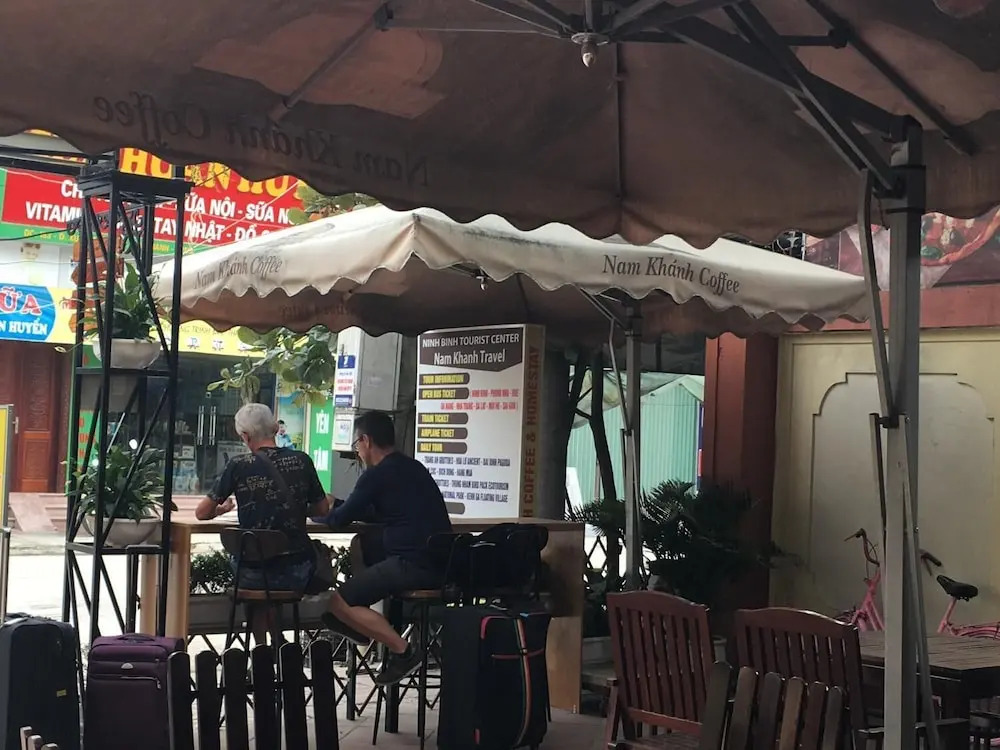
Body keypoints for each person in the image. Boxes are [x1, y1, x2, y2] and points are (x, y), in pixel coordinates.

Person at [315, 410, 452, 686]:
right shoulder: (414, 468)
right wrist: (339, 505)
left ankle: (403, 651)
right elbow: (374, 511)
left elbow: (339, 521)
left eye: (356, 444)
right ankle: (370, 633)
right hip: (442, 564)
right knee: (351, 590)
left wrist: (318, 514)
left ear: (366, 441)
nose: (357, 451)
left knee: (336, 601)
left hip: (409, 564)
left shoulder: (375, 475)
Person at [195, 403, 330, 644]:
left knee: (256, 577)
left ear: (246, 436)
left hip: (252, 574)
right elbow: (322, 509)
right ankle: (277, 644)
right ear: (275, 429)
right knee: (268, 578)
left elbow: (201, 513)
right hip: (297, 572)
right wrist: (295, 508)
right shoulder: (302, 460)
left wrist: (221, 510)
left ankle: (262, 652)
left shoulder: (238, 465)